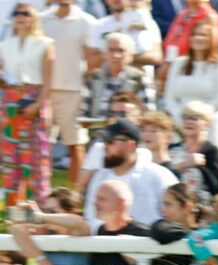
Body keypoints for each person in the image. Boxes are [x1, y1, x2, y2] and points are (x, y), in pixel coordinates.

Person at [0, 4, 54, 203]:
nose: (20, 17)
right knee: (9, 155)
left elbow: (49, 81)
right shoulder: (5, 45)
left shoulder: (45, 44)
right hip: (11, 100)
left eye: (25, 14)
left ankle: (37, 206)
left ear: (34, 18)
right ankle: (12, 207)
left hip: (35, 96)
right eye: (16, 13)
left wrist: (38, 104)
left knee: (35, 155)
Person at [83, 119, 179, 228]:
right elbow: (90, 219)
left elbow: (176, 217)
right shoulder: (99, 177)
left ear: (130, 145)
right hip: (106, 244)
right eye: (104, 141)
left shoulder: (159, 176)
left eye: (110, 141)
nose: (105, 146)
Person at [41, 0, 96, 185]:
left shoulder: (87, 21)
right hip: (44, 91)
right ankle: (42, 193)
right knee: (41, 146)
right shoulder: (41, 19)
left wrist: (85, 90)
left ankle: (75, 196)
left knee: (76, 146)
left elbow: (91, 60)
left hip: (74, 92)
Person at [163, 19, 218, 152]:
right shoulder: (179, 63)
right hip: (179, 127)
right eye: (194, 34)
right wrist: (182, 119)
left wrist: (198, 120)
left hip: (210, 126)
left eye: (203, 35)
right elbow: (169, 97)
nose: (198, 38)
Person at [168, 100, 218, 205]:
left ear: (206, 124)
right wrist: (185, 164)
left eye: (194, 118)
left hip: (200, 209)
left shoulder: (211, 152)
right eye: (185, 117)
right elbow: (163, 174)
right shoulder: (172, 149)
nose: (188, 121)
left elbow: (216, 187)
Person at [81, 33, 154, 117]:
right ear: (104, 54)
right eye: (111, 50)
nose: (116, 55)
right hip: (96, 128)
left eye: (121, 50)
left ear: (130, 56)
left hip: (127, 129)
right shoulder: (94, 77)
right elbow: (84, 110)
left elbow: (149, 113)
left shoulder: (140, 79)